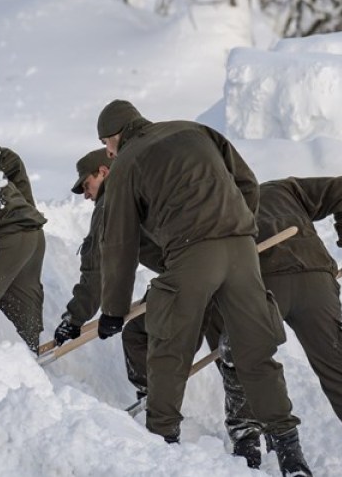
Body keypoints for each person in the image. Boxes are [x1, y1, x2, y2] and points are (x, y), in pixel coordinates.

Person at [93, 100, 312, 475]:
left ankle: (162, 445)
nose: (109, 154)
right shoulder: (197, 131)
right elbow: (246, 182)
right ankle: (291, 455)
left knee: (169, 348)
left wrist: (113, 311)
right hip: (241, 248)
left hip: (193, 253)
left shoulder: (127, 162)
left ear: (113, 138)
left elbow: (119, 243)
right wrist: (235, 224)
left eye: (106, 147)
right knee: (256, 350)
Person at [52, 148, 260, 466]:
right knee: (230, 350)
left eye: (86, 185)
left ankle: (161, 425)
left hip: (190, 279)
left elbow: (97, 265)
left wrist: (76, 317)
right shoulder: (150, 182)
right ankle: (249, 439)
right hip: (228, 266)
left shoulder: (113, 202)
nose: (85, 195)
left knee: (151, 337)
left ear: (104, 173)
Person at [237, 176, 342, 476]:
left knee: (247, 360)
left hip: (262, 283)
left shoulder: (217, 201)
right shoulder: (284, 188)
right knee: (340, 366)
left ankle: (265, 448)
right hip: (315, 280)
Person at [0, 141, 47, 351]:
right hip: (30, 231)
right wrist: (25, 210)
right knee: (22, 315)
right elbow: (13, 161)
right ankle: (28, 367)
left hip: (9, 233)